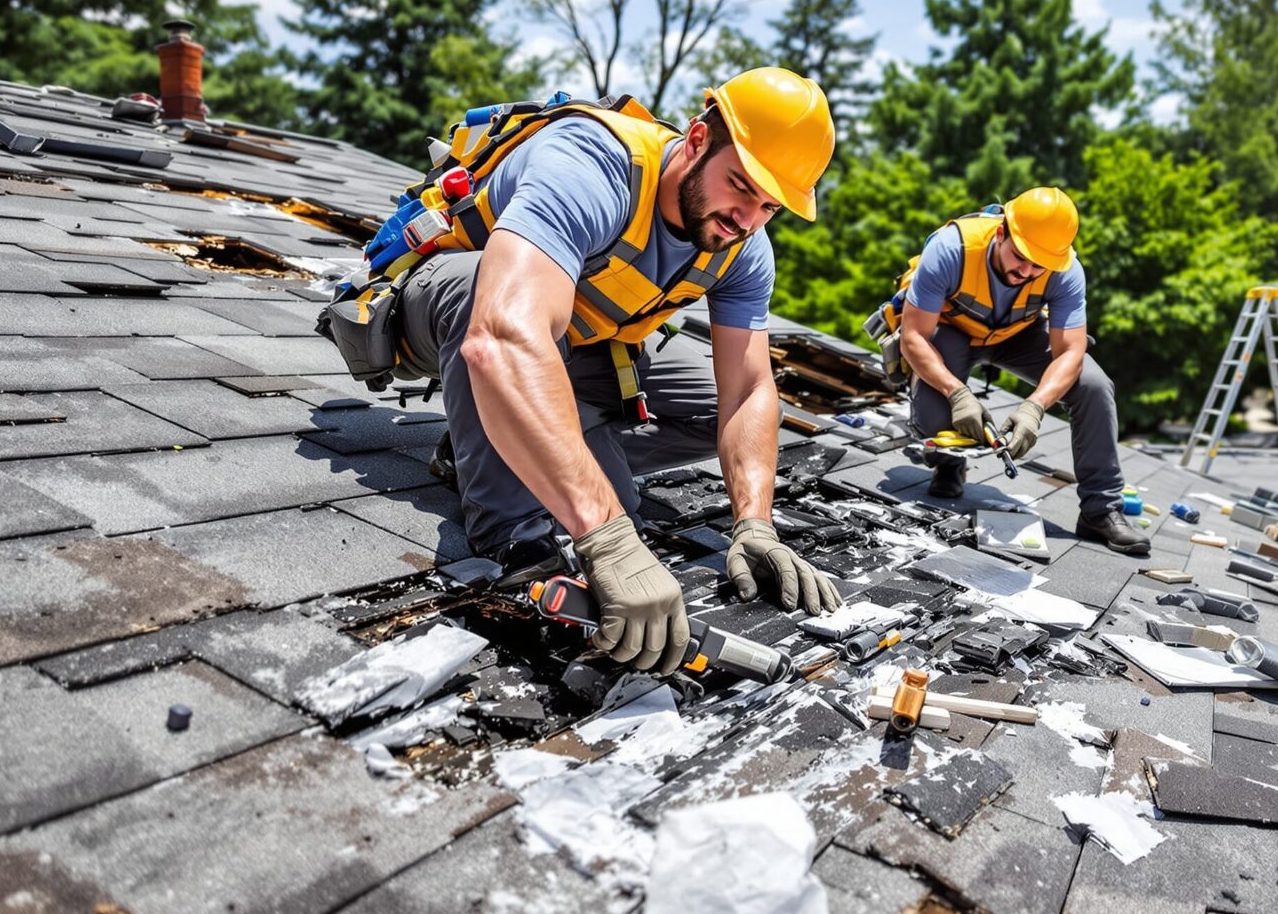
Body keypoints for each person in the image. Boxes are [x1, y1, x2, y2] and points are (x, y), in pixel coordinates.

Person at [392, 68, 844, 676]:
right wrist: (607, 537)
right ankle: (512, 527)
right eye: (741, 186)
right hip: (443, 306)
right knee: (490, 297)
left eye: (770, 206)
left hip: (574, 343)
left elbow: (749, 390)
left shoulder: (744, 244)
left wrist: (756, 522)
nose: (748, 218)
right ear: (694, 141)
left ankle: (518, 437)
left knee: (714, 401)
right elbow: (501, 337)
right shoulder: (593, 163)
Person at [889, 187, 1150, 555]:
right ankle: (948, 465)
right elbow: (914, 336)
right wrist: (956, 392)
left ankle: (1100, 509)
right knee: (936, 415)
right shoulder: (952, 249)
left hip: (1017, 334)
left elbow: (1071, 351)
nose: (1026, 272)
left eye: (1038, 266)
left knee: (1093, 384)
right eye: (1020, 257)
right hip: (950, 334)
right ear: (1000, 234)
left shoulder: (1066, 270)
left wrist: (1036, 406)